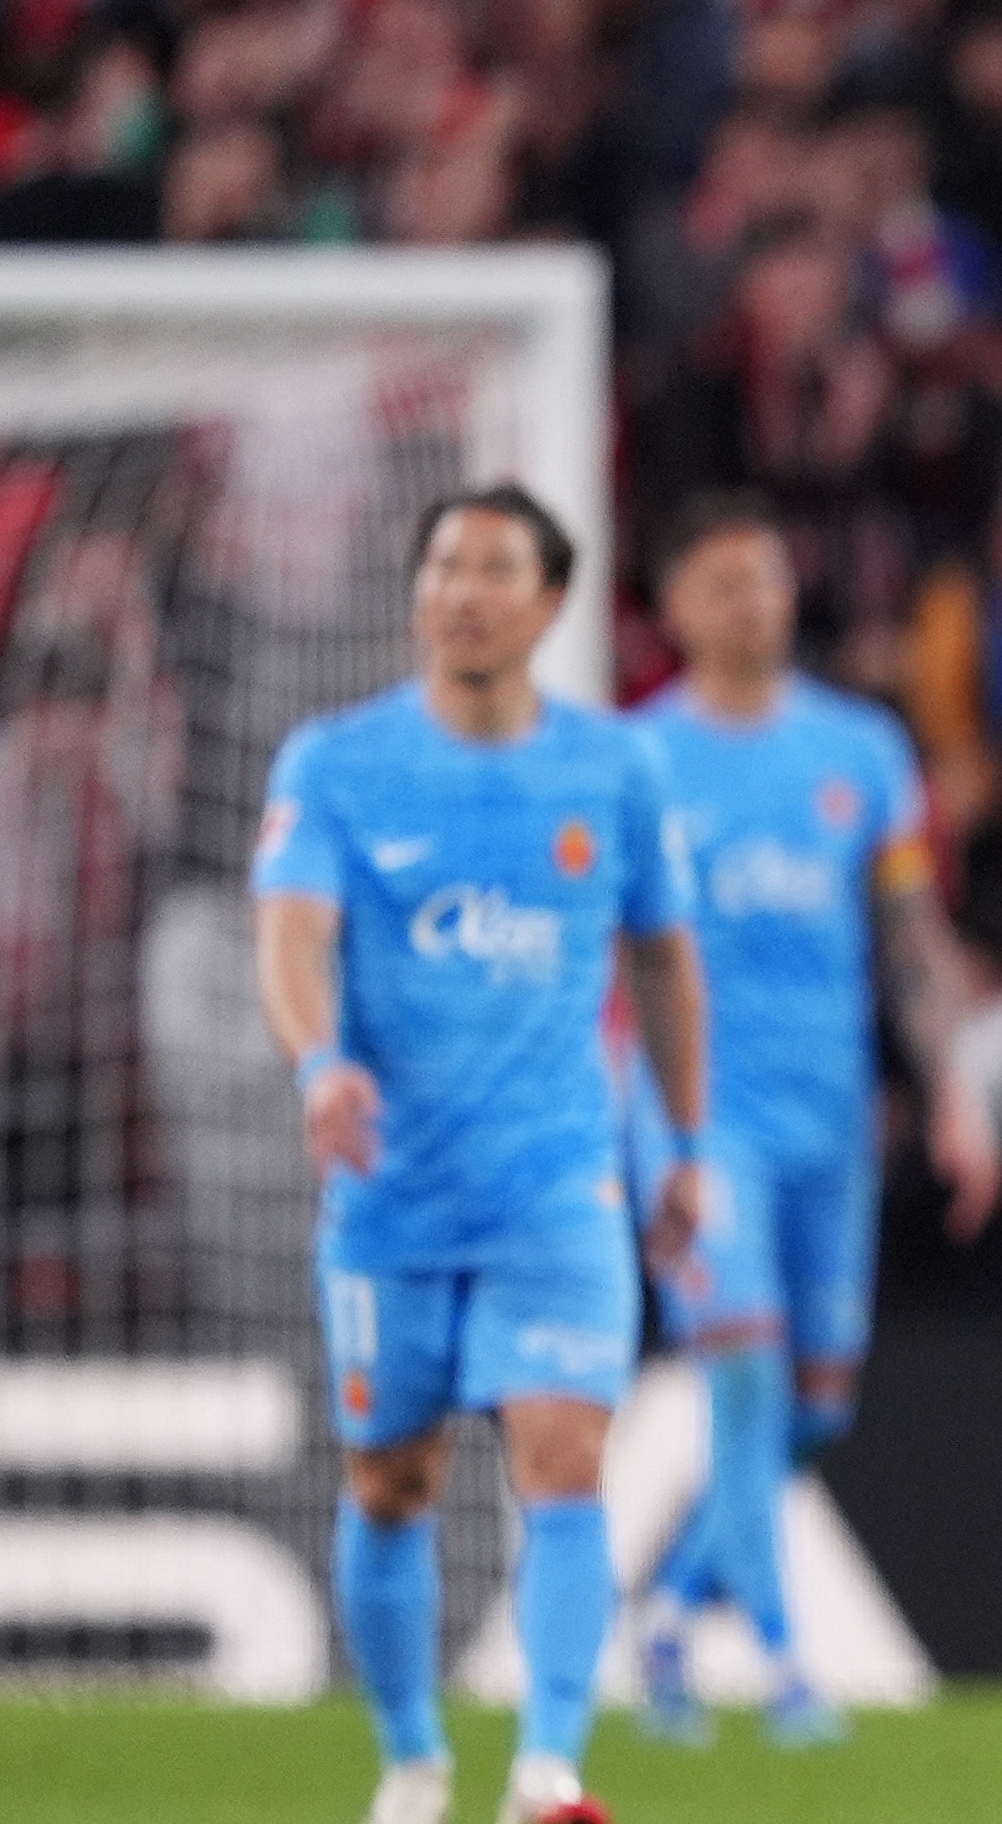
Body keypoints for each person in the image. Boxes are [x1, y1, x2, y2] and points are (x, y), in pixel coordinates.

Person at [252, 487, 709, 1824]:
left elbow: (666, 959)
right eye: (445, 561)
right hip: (390, 1191)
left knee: (565, 1451)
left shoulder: (616, 769)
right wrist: (318, 1060)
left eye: (495, 566)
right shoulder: (335, 761)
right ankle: (410, 1758)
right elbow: (292, 934)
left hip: (559, 1183)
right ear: (416, 591)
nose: (463, 586)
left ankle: (549, 1772)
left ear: (551, 602)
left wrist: (683, 1139)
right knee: (391, 1479)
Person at [627, 499, 1002, 1746]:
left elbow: (910, 942)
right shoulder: (639, 760)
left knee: (815, 1400)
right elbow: (600, 956)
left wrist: (955, 1089)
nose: (753, 604)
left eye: (769, 580)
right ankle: (785, 1664)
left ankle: (670, 1607)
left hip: (829, 1120)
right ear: (676, 607)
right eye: (725, 584)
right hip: (691, 1115)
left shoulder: (861, 754)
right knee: (740, 1362)